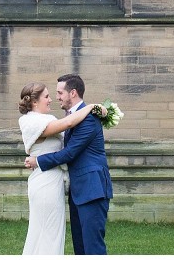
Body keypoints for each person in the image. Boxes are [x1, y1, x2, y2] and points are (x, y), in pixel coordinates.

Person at [25, 74, 113, 255]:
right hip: (78, 192)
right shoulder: (73, 116)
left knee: (93, 248)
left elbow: (70, 152)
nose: (56, 98)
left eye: (59, 93)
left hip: (92, 190)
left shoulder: (89, 118)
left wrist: (39, 161)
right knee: (80, 248)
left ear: (72, 93)